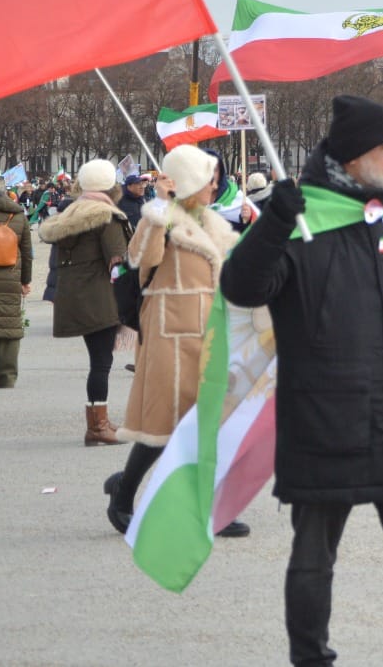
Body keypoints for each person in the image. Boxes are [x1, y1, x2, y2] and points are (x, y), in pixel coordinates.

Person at [220, 95, 383, 666]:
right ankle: (311, 659)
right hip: (327, 425)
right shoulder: (301, 230)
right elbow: (242, 287)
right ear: (354, 158)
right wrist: (274, 222)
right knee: (313, 559)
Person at [105, 145, 249, 538]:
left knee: (209, 423)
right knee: (163, 423)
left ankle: (209, 507)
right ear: (188, 183)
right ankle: (123, 493)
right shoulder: (162, 219)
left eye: (215, 178)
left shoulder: (213, 223)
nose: (215, 185)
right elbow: (142, 258)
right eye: (208, 178)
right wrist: (159, 209)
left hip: (209, 331)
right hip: (170, 332)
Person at [40, 159, 130, 446]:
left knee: (97, 361)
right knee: (102, 363)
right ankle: (98, 426)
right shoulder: (107, 216)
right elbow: (118, 263)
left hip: (73, 297)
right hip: (101, 298)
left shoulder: (71, 213)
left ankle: (97, 420)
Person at [0, 177, 33, 390]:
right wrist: (25, 281)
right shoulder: (17, 214)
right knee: (8, 325)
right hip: (10, 276)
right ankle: (7, 377)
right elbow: (26, 252)